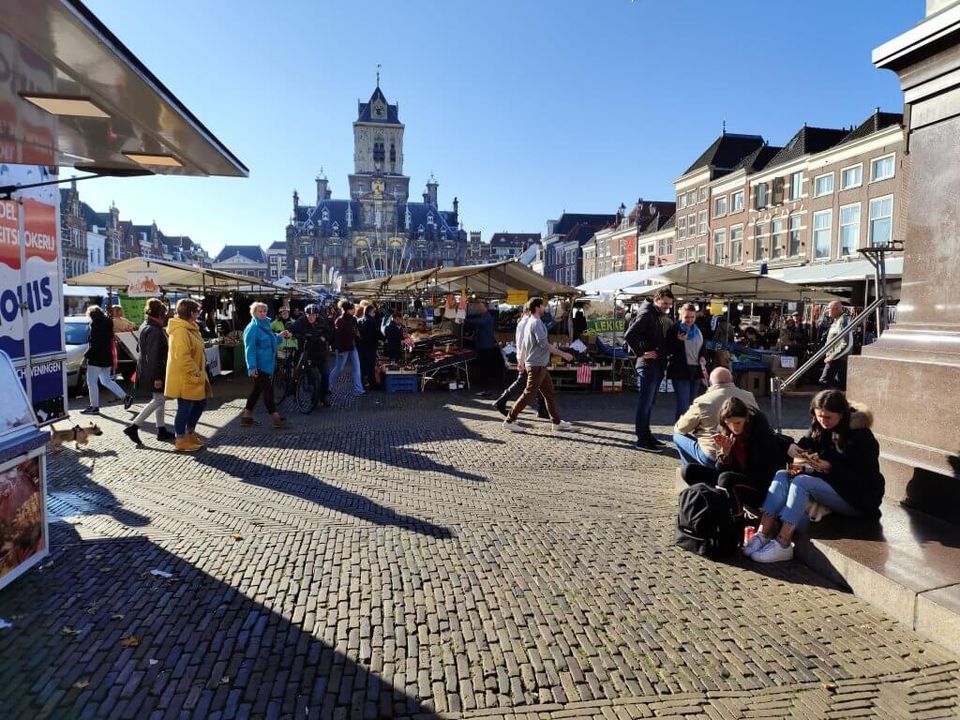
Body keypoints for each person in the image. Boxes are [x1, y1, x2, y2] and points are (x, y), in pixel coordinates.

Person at [746, 389, 885, 563]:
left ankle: (783, 543)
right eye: (819, 416)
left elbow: (864, 481)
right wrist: (796, 455)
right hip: (828, 487)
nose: (823, 421)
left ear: (842, 415)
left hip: (858, 499)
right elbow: (800, 456)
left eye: (828, 417)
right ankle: (762, 534)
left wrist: (830, 467)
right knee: (783, 475)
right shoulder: (818, 428)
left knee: (802, 482)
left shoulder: (862, 436)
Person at [680, 397, 792, 509]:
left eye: (738, 423)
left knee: (726, 479)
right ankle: (708, 504)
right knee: (688, 470)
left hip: (759, 485)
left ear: (746, 419)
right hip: (733, 479)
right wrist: (725, 454)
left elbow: (775, 443)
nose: (734, 428)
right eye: (729, 424)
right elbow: (721, 471)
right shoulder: (724, 432)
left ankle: (736, 519)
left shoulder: (758, 430)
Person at [503, 297, 576, 434]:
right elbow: (544, 344)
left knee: (549, 394)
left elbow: (524, 345)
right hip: (536, 366)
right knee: (528, 394)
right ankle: (509, 420)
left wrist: (521, 362)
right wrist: (563, 354)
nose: (545, 308)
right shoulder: (536, 323)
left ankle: (556, 422)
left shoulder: (529, 322)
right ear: (537, 307)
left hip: (539, 365)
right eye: (543, 306)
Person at [672, 367, 758, 467]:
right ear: (731, 380)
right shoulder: (748, 396)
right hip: (744, 453)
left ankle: (692, 471)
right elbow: (758, 421)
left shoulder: (703, 401)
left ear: (711, 383)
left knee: (678, 436)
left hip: (713, 455)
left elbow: (681, 428)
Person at [624, 287, 675, 451]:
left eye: (670, 304)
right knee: (645, 403)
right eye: (665, 303)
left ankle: (647, 435)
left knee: (649, 403)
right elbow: (629, 335)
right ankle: (642, 440)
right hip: (648, 366)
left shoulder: (656, 314)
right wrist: (642, 353)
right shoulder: (647, 314)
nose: (667, 307)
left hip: (656, 366)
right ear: (657, 299)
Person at [123, 298, 174, 445]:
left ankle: (161, 430)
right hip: (153, 371)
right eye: (164, 314)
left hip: (147, 369)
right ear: (160, 314)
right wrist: (157, 377)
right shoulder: (155, 330)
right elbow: (154, 355)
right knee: (159, 399)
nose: (165, 317)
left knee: (160, 399)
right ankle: (134, 426)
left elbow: (143, 350)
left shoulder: (146, 325)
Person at [164, 299, 209, 452]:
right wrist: (195, 371)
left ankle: (188, 433)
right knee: (184, 407)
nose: (199, 314)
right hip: (185, 376)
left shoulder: (191, 328)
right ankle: (181, 438)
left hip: (192, 374)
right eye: (197, 311)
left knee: (200, 403)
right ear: (191, 313)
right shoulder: (181, 331)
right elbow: (182, 356)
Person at [241, 302, 292, 428]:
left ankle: (246, 417)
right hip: (259, 367)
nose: (263, 313)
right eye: (260, 311)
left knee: (257, 391)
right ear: (254, 313)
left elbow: (271, 340)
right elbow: (249, 349)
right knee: (268, 391)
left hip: (267, 365)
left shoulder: (265, 324)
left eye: (264, 311)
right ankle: (276, 418)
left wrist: (280, 336)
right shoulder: (252, 328)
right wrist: (252, 367)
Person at [491, 306, 548, 420]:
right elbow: (524, 343)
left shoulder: (524, 321)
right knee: (522, 382)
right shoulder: (528, 322)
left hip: (528, 357)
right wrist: (522, 360)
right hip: (529, 358)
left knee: (539, 382)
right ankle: (501, 402)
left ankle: (542, 408)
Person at [81, 305, 133, 415]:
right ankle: (125, 397)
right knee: (106, 380)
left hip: (96, 358)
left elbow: (94, 344)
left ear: (91, 316)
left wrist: (85, 357)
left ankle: (94, 406)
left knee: (91, 382)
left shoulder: (95, 325)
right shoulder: (109, 323)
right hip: (107, 357)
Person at [666, 302, 706, 421]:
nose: (689, 320)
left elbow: (702, 348)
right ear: (681, 316)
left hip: (696, 371)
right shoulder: (675, 329)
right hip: (680, 371)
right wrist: (678, 341)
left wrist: (703, 357)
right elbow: (668, 349)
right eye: (686, 317)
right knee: (683, 405)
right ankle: (680, 432)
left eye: (692, 317)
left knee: (691, 405)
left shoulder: (699, 330)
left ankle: (687, 429)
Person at [290, 303, 332, 406]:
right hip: (308, 353)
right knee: (311, 377)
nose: (311, 317)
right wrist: (301, 336)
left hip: (321, 353)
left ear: (317, 315)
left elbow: (329, 333)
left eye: (313, 315)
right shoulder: (301, 321)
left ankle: (324, 396)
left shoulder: (322, 321)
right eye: (309, 315)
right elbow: (291, 330)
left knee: (326, 375)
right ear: (305, 314)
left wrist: (324, 338)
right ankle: (312, 398)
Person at [328, 299, 364, 395]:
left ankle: (359, 389)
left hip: (352, 346)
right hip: (343, 348)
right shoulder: (340, 321)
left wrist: (357, 336)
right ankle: (327, 386)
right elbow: (338, 337)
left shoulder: (353, 319)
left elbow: (355, 331)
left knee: (357, 367)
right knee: (339, 369)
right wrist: (339, 349)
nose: (354, 311)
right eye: (352, 309)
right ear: (347, 310)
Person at [465, 301, 502, 384]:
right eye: (479, 307)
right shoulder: (483, 316)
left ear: (486, 307)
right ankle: (483, 379)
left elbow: (477, 322)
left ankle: (485, 380)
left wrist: (464, 319)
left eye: (481, 307)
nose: (479, 308)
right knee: (483, 362)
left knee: (485, 363)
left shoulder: (487, 317)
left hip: (486, 344)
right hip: (483, 344)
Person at [819, 300, 852, 388]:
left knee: (824, 382)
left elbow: (847, 343)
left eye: (829, 308)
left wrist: (832, 356)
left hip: (837, 358)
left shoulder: (843, 320)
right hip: (837, 358)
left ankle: (823, 401)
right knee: (840, 385)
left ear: (836, 309)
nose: (827, 311)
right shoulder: (837, 320)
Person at [356, 303, 381, 390]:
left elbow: (357, 334)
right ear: (370, 311)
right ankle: (372, 384)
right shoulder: (373, 321)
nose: (375, 313)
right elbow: (377, 334)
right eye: (374, 311)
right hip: (370, 347)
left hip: (361, 348)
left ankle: (362, 385)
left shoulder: (359, 321)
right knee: (370, 367)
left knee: (362, 368)